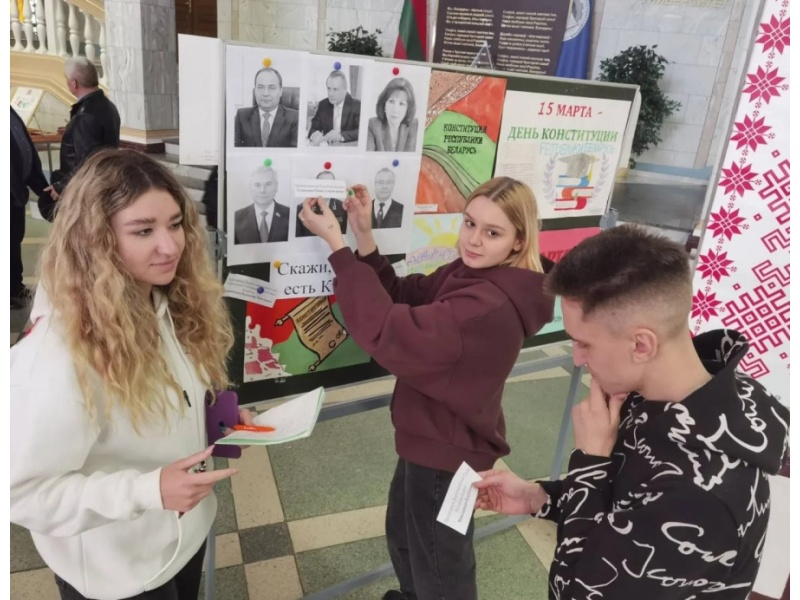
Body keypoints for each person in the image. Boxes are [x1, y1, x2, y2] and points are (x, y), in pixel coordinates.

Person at [474, 224, 790, 600]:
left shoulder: (700, 494)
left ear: (641, 345)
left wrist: (590, 461)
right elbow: (625, 506)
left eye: (583, 343)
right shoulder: (675, 396)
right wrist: (538, 497)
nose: (577, 359)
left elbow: (575, 591)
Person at [10, 149, 253, 600]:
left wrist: (216, 418)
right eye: (143, 230)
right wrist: (146, 491)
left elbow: (166, 399)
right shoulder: (59, 354)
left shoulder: (163, 300)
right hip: (117, 572)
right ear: (95, 240)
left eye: (175, 224)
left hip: (181, 537)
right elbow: (20, 492)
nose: (171, 246)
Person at [299, 176, 556, 600]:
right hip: (431, 436)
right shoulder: (473, 273)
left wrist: (338, 248)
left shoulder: (485, 305)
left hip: (447, 452)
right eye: (469, 223)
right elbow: (404, 296)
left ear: (519, 241)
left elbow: (389, 329)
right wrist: (363, 235)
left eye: (492, 232)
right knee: (406, 540)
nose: (473, 240)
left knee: (440, 565)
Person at [40, 56, 120, 221]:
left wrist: (61, 186)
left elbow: (88, 161)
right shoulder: (108, 106)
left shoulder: (85, 115)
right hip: (103, 182)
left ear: (73, 83)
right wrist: (72, 131)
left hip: (84, 190)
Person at [10, 106, 49, 309]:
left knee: (13, 239)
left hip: (16, 193)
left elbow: (25, 149)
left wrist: (42, 187)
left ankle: (15, 286)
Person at [234, 67, 299, 148]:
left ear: (280, 91)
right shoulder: (241, 116)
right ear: (255, 90)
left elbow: (295, 152)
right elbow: (234, 149)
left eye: (271, 88)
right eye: (260, 87)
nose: (265, 93)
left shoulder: (295, 118)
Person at [234, 165, 290, 244]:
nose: (262, 190)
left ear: (276, 186)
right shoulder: (237, 218)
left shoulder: (290, 215)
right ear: (250, 187)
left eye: (268, 184)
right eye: (257, 185)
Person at [308, 70, 361, 146]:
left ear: (345, 89)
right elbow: (314, 128)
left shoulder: (357, 105)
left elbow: (361, 131)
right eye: (329, 88)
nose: (331, 94)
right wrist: (315, 134)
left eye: (335, 89)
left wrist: (341, 136)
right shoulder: (323, 104)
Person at [367, 77, 418, 153]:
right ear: (384, 104)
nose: (395, 109)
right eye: (391, 101)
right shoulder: (372, 125)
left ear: (408, 109)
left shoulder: (415, 126)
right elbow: (368, 157)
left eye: (401, 104)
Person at [296, 170, 347, 237]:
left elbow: (344, 235)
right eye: (322, 184)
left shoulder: (342, 207)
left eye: (330, 184)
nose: (326, 188)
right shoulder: (301, 208)